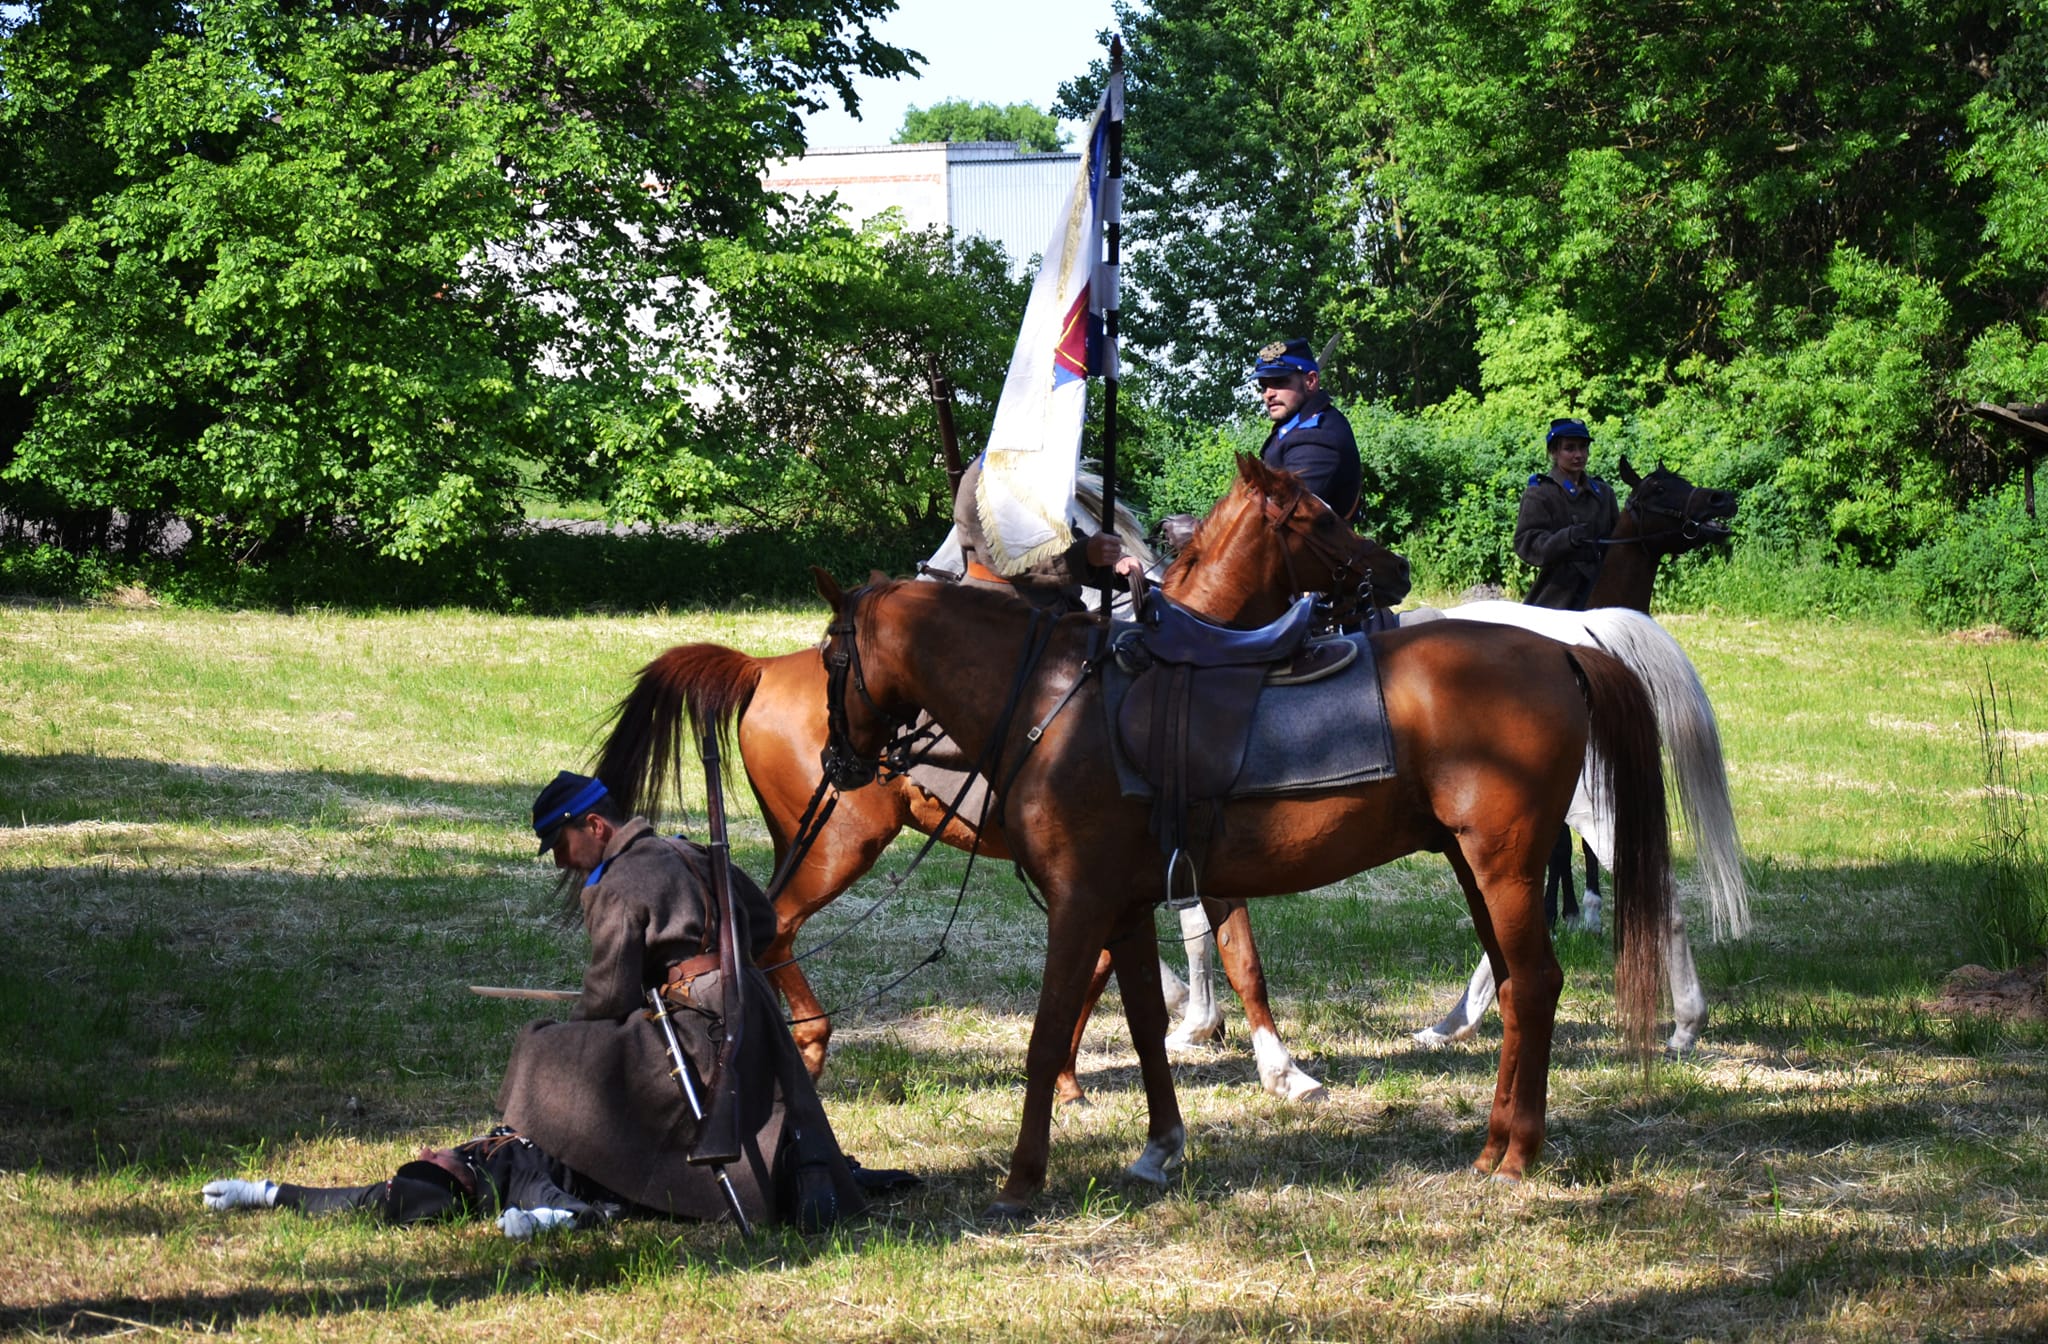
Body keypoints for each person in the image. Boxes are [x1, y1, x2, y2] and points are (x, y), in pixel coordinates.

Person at [494, 771, 870, 1231]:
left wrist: (577, 1033)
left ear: (595, 826)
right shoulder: (690, 850)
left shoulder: (614, 884)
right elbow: (763, 923)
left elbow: (608, 996)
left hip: (696, 1029)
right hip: (753, 1009)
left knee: (542, 1048)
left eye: (560, 845)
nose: (559, 862)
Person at [949, 453, 1142, 611]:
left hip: (1055, 615)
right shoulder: (988, 471)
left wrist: (1115, 561)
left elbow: (1065, 537)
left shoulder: (1041, 469)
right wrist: (1086, 555)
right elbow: (1005, 558)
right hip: (999, 615)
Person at [1513, 418, 1619, 610]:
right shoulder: (1540, 492)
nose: (1578, 455)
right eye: (1569, 448)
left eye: (1583, 448)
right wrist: (1566, 539)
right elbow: (1526, 543)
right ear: (1554, 452)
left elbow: (1617, 541)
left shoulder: (1604, 493)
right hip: (1558, 592)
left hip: (1602, 589)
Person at [1252, 338, 1361, 522]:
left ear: (1310, 381)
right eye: (1263, 386)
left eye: (1279, 382)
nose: (1268, 394)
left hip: (1315, 549)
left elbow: (1284, 514)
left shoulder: (1319, 436)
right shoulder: (1294, 424)